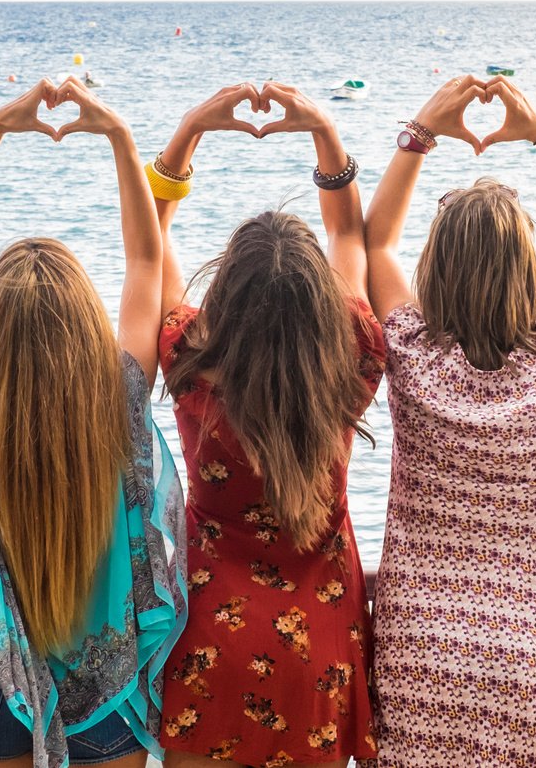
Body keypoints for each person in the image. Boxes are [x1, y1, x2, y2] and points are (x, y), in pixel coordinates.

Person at [0, 77, 186, 768]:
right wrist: (118, 137)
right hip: (103, 695)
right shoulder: (119, 396)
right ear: (84, 325)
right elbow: (146, 259)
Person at [362, 75, 536, 768]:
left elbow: (374, 240)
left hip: (422, 662)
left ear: (435, 267)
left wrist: (421, 130)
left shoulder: (412, 356)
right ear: (528, 270)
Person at [152, 83, 384, 768]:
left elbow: (150, 236)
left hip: (208, 642)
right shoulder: (351, 363)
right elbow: (348, 232)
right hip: (317, 650)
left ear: (225, 291)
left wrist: (191, 127)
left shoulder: (190, 364)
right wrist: (323, 132)